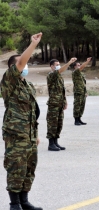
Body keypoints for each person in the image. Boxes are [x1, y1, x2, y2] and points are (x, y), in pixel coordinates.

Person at [1, 32, 43, 210]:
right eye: (22, 63)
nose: (25, 66)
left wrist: (36, 134)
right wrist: (33, 44)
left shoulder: (28, 85)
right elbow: (20, 62)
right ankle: (14, 204)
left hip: (29, 135)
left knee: (28, 169)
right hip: (16, 135)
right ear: (14, 67)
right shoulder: (9, 80)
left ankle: (24, 201)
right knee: (16, 168)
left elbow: (32, 112)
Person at [47, 57, 77, 151]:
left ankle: (56, 142)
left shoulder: (59, 77)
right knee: (53, 124)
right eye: (56, 65)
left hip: (60, 103)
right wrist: (69, 63)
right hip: (53, 104)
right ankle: (51, 144)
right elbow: (60, 70)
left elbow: (62, 91)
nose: (58, 66)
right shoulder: (51, 75)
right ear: (52, 66)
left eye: (59, 64)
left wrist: (65, 101)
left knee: (59, 124)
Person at [72, 57, 92, 125]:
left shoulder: (81, 74)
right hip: (78, 92)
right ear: (74, 67)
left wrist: (85, 92)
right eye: (78, 65)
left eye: (79, 65)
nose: (79, 66)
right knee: (77, 106)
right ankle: (76, 120)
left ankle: (79, 118)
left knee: (82, 106)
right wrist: (87, 61)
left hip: (82, 91)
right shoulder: (75, 72)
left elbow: (83, 83)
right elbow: (82, 67)